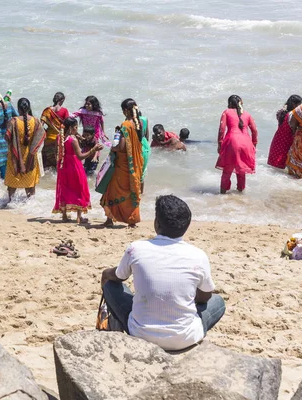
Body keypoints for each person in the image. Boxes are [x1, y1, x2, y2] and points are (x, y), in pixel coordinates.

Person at [100, 195, 225, 351]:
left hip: (141, 334)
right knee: (218, 302)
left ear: (156, 223)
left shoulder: (136, 248)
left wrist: (106, 273)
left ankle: (113, 324)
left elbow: (119, 277)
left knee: (111, 286)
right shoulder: (199, 255)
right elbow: (205, 297)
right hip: (185, 339)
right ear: (186, 226)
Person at [99, 98, 144, 227]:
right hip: (134, 163)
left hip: (122, 165)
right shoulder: (139, 123)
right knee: (130, 192)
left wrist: (112, 147)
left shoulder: (125, 125)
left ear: (125, 111)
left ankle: (109, 220)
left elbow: (121, 147)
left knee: (111, 191)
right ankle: (132, 220)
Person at [52, 118, 102, 223]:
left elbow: (56, 153)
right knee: (79, 189)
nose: (77, 129)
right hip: (74, 166)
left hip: (62, 166)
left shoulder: (59, 137)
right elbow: (80, 156)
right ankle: (79, 217)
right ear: (70, 128)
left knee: (65, 189)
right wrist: (93, 150)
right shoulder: (72, 140)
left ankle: (64, 215)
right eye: (75, 127)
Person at [4, 98, 46, 201]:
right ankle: (30, 204)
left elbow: (7, 137)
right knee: (30, 184)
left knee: (12, 181)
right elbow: (42, 135)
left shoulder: (13, 121)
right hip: (30, 156)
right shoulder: (35, 121)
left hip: (15, 156)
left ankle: (10, 203)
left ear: (18, 108)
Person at [215, 95, 258, 194]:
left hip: (232, 142)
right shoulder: (247, 114)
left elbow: (222, 129)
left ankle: (222, 195)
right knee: (241, 171)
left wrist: (220, 144)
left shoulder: (227, 112)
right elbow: (255, 131)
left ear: (230, 104)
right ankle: (240, 195)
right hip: (247, 143)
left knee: (227, 170)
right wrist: (254, 144)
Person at [71, 96, 105, 176]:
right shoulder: (83, 111)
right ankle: (84, 165)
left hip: (94, 133)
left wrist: (103, 132)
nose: (87, 106)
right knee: (85, 147)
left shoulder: (97, 113)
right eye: (86, 104)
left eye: (89, 104)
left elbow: (101, 121)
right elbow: (73, 115)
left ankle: (94, 159)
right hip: (86, 132)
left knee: (94, 145)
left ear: (94, 104)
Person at [267, 95, 302, 169]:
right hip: (287, 142)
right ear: (294, 104)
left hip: (278, 140)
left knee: (274, 167)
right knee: (284, 166)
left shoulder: (281, 112)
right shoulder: (292, 115)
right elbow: (294, 130)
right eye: (299, 105)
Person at [40, 92, 70, 169]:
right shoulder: (64, 110)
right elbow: (68, 125)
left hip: (49, 138)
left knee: (46, 163)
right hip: (59, 139)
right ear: (62, 100)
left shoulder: (47, 110)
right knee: (58, 161)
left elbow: (40, 126)